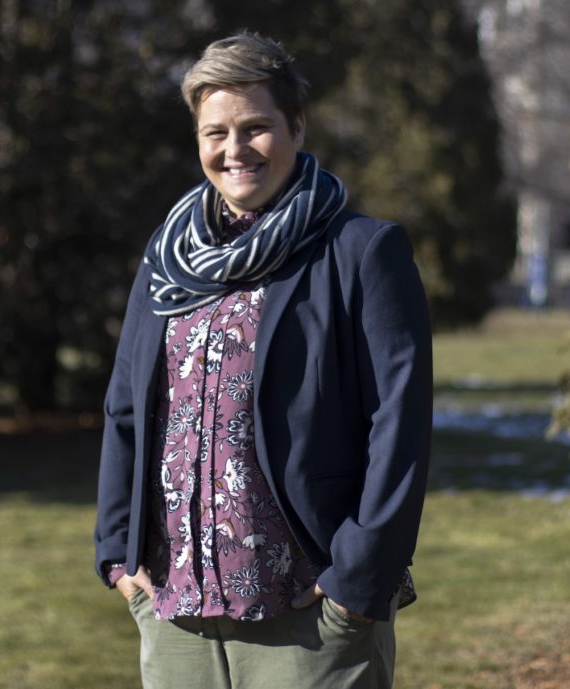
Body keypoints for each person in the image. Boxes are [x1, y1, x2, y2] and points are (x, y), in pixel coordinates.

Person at [93, 31, 433, 689]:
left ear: (297, 126)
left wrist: (357, 581)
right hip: (175, 612)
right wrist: (117, 555)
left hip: (309, 615)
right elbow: (126, 408)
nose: (234, 148)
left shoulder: (360, 252)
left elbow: (401, 422)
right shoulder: (167, 263)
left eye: (256, 127)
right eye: (214, 132)